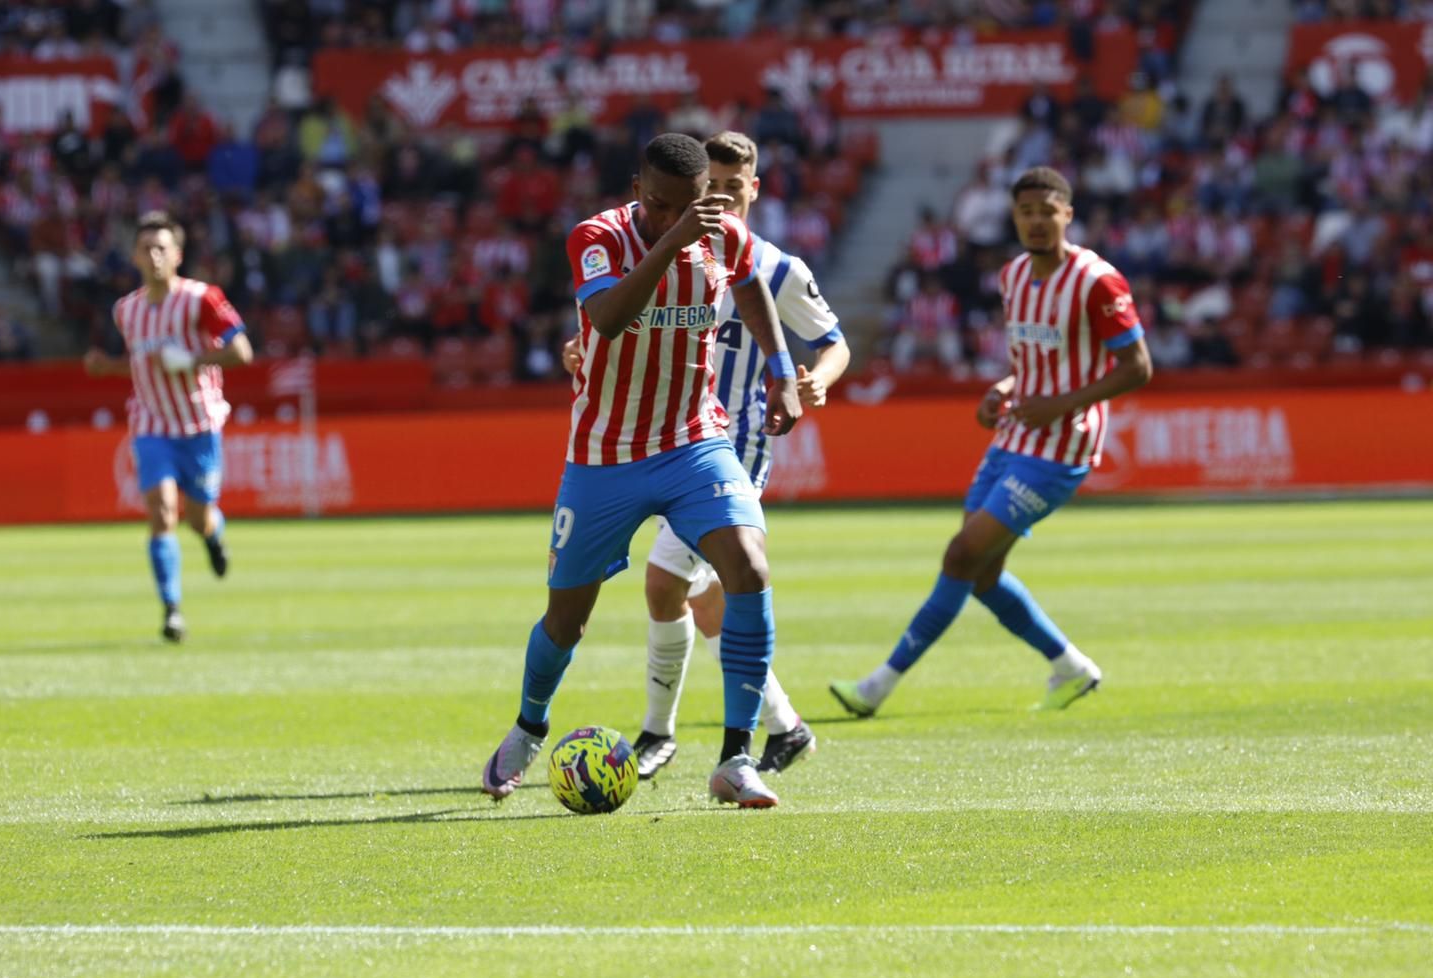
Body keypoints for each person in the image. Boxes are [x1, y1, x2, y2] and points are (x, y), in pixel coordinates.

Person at [481, 133, 804, 809]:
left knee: (749, 566)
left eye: (686, 206)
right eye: (657, 205)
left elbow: (752, 294)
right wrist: (672, 239)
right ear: (637, 192)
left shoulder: (726, 234)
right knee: (565, 622)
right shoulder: (595, 236)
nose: (670, 216)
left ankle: (736, 758)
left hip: (693, 442)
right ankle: (528, 725)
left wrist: (780, 373)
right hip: (604, 455)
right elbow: (607, 316)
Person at [562, 131, 849, 781]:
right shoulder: (672, 249)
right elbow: (624, 314)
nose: (716, 198)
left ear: (752, 189)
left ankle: (663, 734)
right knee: (707, 593)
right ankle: (784, 725)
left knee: (667, 582)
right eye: (707, 186)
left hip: (734, 439)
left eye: (729, 186)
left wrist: (811, 379)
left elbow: (833, 342)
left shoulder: (776, 268)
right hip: (669, 437)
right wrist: (583, 347)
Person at [831, 167, 1152, 717]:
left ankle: (879, 685)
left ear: (1067, 215)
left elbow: (1138, 367)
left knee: (961, 554)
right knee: (980, 574)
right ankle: (1071, 667)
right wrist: (1003, 388)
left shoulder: (1097, 281)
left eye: (1047, 211)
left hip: (1062, 447)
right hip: (1014, 433)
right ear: (1013, 216)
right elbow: (1032, 360)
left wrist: (1060, 404)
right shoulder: (1012, 277)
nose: (1035, 221)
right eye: (1026, 212)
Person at [84, 213, 253, 642]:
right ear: (135, 256)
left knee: (198, 518)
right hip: (151, 423)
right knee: (161, 513)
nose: (155, 255)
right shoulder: (126, 310)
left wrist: (192, 360)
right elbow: (144, 366)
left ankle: (213, 536)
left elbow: (242, 352)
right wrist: (108, 369)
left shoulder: (202, 300)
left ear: (177, 256)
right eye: (147, 248)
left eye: (163, 248)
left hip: (198, 424)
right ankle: (172, 609)